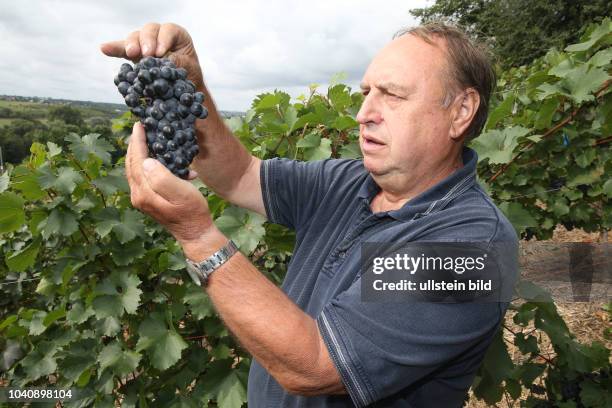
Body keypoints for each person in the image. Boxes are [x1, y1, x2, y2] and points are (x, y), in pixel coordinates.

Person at [101, 21, 518, 407]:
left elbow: (317, 364)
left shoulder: (472, 247)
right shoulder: (346, 182)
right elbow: (240, 175)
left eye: (391, 95)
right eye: (366, 93)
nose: (363, 113)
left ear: (461, 111)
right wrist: (191, 82)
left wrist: (197, 238)